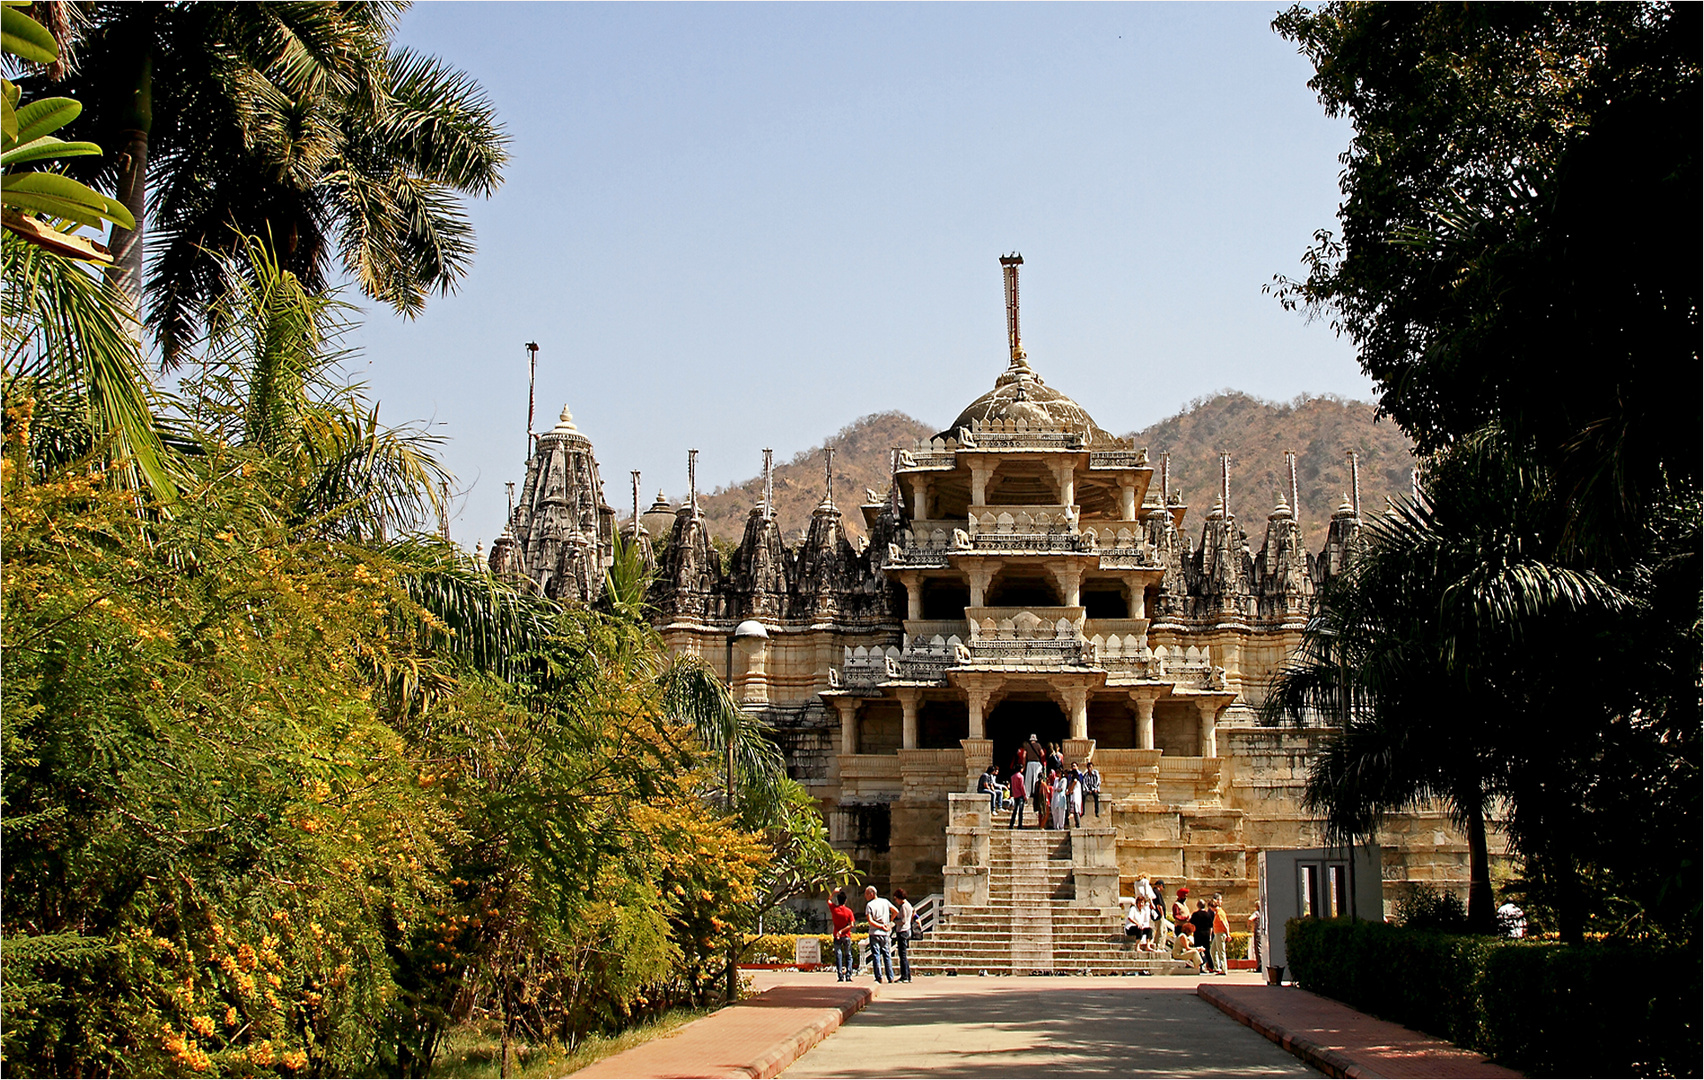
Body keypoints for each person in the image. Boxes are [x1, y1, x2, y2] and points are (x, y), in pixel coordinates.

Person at [863, 886, 896, 983]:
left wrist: (880, 926)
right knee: (886, 954)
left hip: (874, 932)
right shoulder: (885, 901)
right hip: (885, 933)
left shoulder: (869, 905)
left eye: (866, 894)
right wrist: (889, 922)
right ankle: (890, 976)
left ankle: (879, 977)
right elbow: (895, 911)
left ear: (871, 894)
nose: (865, 896)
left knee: (876, 955)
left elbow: (870, 920)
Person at [829, 890, 856, 982]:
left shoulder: (834, 909)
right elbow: (851, 924)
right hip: (846, 935)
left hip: (837, 935)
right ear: (845, 901)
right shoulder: (848, 911)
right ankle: (848, 975)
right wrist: (843, 930)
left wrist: (833, 892)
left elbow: (828, 900)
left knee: (838, 955)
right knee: (848, 955)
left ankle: (840, 975)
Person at [893, 887, 915, 983]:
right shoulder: (909, 905)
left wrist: (894, 921)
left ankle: (904, 976)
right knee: (903, 954)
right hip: (907, 930)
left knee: (902, 955)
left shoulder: (904, 906)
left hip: (903, 931)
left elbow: (903, 921)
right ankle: (907, 975)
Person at [1189, 900, 1215, 972]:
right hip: (1206, 934)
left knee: (1198, 950)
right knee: (1207, 951)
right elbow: (1211, 926)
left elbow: (1191, 923)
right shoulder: (1208, 915)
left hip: (1198, 934)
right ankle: (1211, 966)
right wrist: (1210, 936)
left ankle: (1199, 966)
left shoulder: (1195, 914)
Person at [1210, 897, 1231, 976]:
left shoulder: (1219, 914)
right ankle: (1217, 967)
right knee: (1213, 950)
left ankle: (1224, 969)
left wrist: (1227, 934)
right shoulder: (1218, 912)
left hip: (1220, 933)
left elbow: (1224, 924)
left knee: (1221, 951)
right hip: (1217, 933)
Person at [1247, 901, 1263, 969]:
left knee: (1257, 948)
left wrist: (1248, 926)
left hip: (1257, 932)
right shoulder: (1263, 913)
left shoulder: (1256, 913)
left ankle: (1259, 965)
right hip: (1262, 931)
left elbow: (1250, 919)